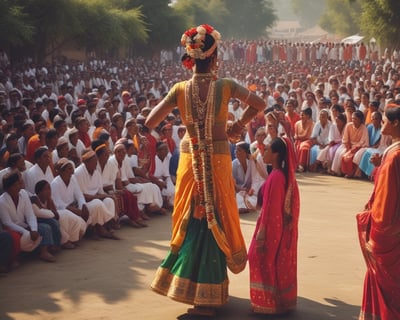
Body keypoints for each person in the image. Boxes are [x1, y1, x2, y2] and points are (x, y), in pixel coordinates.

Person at [145, 24, 266, 315]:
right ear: (213, 58)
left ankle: (185, 285)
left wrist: (187, 127)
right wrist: (236, 127)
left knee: (193, 214)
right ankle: (208, 293)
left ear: (192, 56)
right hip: (219, 156)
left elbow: (150, 121)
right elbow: (259, 104)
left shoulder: (180, 90)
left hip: (190, 157)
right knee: (216, 215)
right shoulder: (224, 86)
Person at [357, 106, 400, 320]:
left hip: (388, 230)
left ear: (395, 124)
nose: (382, 124)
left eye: (384, 120)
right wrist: (379, 166)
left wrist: (376, 230)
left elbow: (387, 197)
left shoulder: (394, 156)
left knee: (383, 279)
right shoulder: (392, 152)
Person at [248, 137, 300, 314]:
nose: (264, 152)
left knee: (260, 258)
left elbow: (272, 210)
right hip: (269, 225)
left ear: (277, 154)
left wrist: (263, 234)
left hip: (270, 227)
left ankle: (267, 303)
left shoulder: (277, 177)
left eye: (268, 150)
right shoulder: (276, 174)